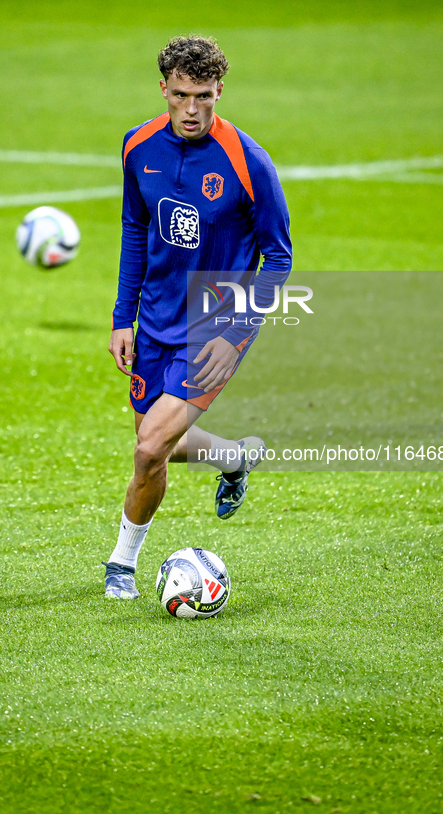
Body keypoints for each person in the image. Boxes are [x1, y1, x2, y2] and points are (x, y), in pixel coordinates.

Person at [104, 35, 292, 599]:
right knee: (156, 441)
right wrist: (122, 317)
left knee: (148, 447)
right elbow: (135, 230)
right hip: (155, 319)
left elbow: (278, 259)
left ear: (219, 92)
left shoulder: (248, 162)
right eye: (181, 95)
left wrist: (234, 339)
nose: (191, 110)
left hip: (214, 327)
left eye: (203, 97)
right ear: (163, 88)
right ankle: (236, 458)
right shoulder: (138, 147)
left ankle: (121, 566)